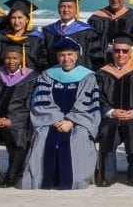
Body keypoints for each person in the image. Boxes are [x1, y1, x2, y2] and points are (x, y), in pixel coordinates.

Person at [21, 41, 102, 191]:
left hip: (79, 122)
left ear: (76, 55)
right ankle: (44, 181)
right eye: (62, 55)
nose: (66, 59)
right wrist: (57, 119)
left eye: (70, 54)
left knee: (79, 137)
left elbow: (88, 104)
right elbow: (42, 101)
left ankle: (72, 181)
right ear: (57, 56)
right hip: (51, 120)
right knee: (42, 136)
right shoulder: (47, 75)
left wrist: (71, 121)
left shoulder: (87, 77)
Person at [94, 33, 133, 185]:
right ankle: (108, 176)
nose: (120, 54)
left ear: (130, 52)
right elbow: (98, 97)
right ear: (112, 52)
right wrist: (111, 111)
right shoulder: (102, 73)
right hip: (111, 116)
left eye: (124, 51)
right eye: (117, 50)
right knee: (107, 131)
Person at [0, 42, 37, 187]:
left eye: (15, 58)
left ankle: (12, 175)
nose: (11, 61)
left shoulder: (31, 78)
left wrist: (11, 120)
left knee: (19, 135)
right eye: (8, 58)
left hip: (17, 121)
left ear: (21, 59)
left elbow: (30, 105)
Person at [39, 0, 99, 68]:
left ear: (76, 9)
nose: (66, 10)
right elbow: (43, 57)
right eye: (62, 6)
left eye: (69, 7)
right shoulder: (48, 31)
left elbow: (96, 59)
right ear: (58, 9)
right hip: (54, 73)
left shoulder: (87, 31)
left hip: (81, 73)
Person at [0, 0, 45, 72]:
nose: (16, 22)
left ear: (27, 19)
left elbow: (42, 63)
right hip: (4, 76)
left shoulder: (36, 39)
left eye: (20, 17)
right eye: (13, 18)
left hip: (30, 77)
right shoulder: (1, 38)